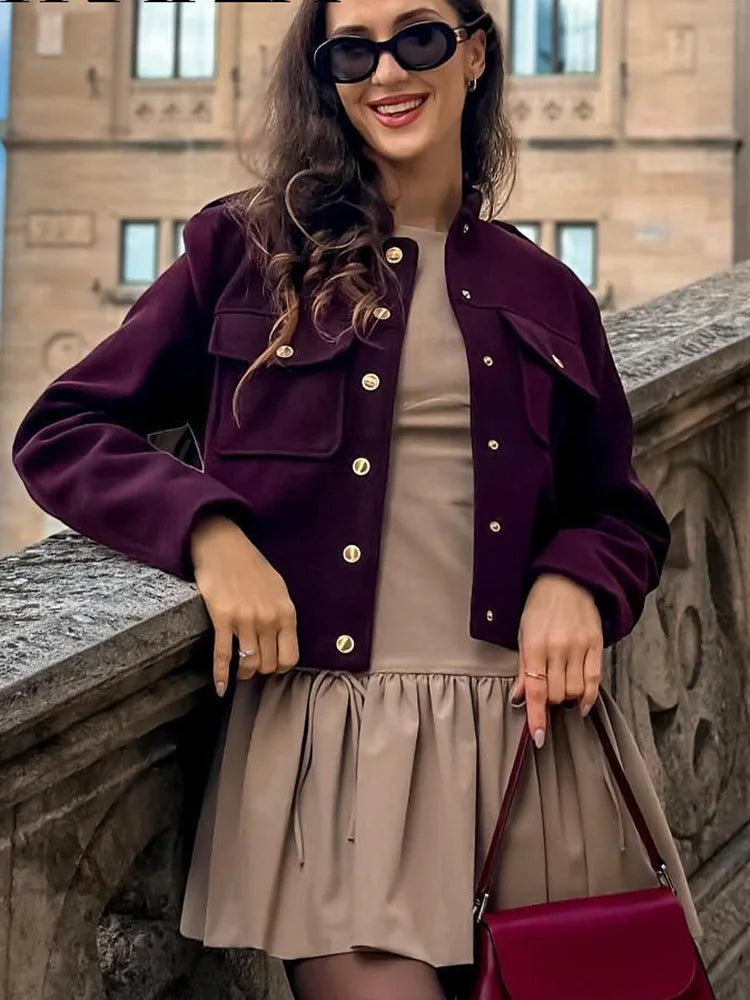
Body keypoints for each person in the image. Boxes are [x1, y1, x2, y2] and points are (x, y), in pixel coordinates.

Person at [12, 1, 703, 998]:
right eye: (353, 50)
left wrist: (576, 581)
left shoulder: (548, 290)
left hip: (534, 750)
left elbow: (620, 509)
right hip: (330, 758)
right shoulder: (242, 253)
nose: (387, 72)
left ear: (473, 53)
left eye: (418, 38)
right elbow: (63, 429)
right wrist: (210, 532)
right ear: (326, 74)